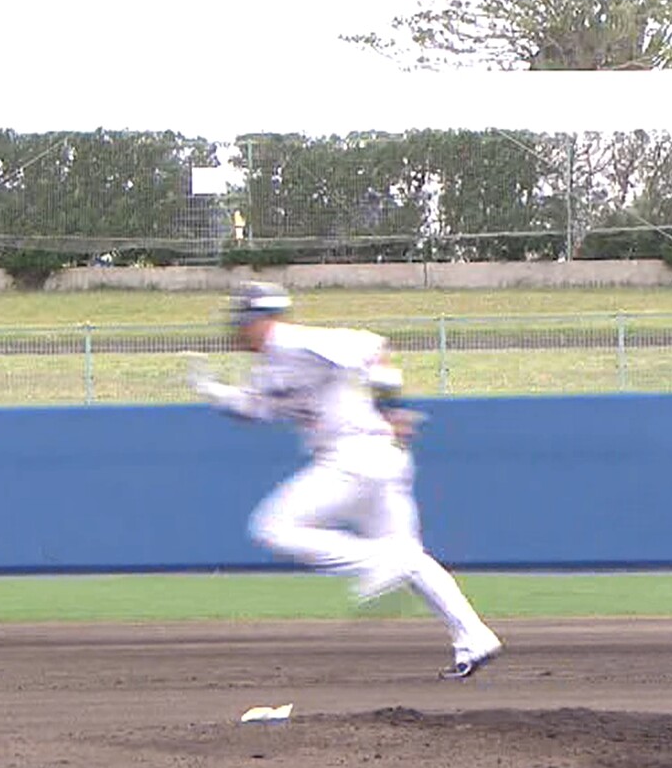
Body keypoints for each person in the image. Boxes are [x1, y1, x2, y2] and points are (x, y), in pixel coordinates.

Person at [185, 281, 503, 679]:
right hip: (378, 461)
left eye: (242, 320)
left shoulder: (295, 341)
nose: (236, 329)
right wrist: (215, 392)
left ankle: (382, 561)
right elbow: (257, 408)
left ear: (259, 319)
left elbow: (373, 348)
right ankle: (474, 636)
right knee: (412, 558)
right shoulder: (270, 367)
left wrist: (393, 408)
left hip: (354, 457)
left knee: (273, 527)